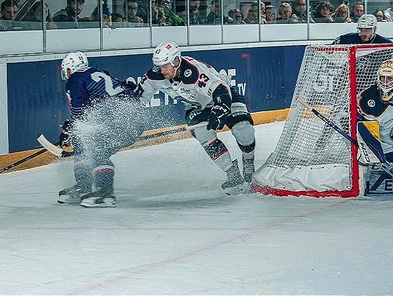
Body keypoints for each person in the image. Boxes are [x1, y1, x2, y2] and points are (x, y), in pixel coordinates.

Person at [134, 42, 257, 195]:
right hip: (196, 107)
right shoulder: (153, 76)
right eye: (159, 66)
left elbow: (220, 90)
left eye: (165, 66)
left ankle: (248, 162)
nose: (161, 70)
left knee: (243, 130)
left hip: (224, 96)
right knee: (204, 135)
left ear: (176, 62)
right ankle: (232, 174)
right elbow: (137, 100)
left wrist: (220, 109)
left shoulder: (194, 71)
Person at [56, 52, 145, 207]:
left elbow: (79, 112)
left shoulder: (75, 79)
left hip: (123, 121)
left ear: (70, 68)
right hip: (131, 119)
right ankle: (83, 186)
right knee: (83, 144)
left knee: (97, 149)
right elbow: (118, 91)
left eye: (66, 70)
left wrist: (70, 128)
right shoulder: (96, 73)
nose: (66, 74)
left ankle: (105, 194)